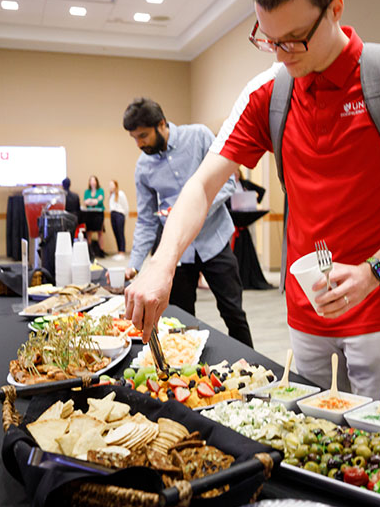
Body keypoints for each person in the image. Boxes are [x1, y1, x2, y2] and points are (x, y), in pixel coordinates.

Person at [125, 0, 380, 407]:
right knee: (313, 452)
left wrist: (371, 272)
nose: (281, 55)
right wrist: (161, 264)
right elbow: (202, 185)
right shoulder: (267, 93)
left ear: (336, 9)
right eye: (268, 39)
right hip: (306, 317)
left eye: (295, 39)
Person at [123, 98, 253, 347]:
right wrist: (134, 264)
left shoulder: (199, 136)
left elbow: (227, 183)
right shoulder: (143, 168)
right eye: (134, 139)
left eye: (143, 136)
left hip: (215, 242)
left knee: (234, 314)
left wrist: (190, 210)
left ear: (161, 124)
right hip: (179, 254)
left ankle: (253, 373)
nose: (139, 144)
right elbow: (146, 220)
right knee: (180, 320)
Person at [82, 175, 106, 257]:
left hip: (99, 213)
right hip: (89, 214)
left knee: (100, 232)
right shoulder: (87, 192)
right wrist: (95, 200)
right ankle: (89, 251)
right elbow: (85, 202)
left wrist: (91, 201)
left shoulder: (100, 190)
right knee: (89, 232)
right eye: (91, 180)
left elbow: (99, 201)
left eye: (94, 180)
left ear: (96, 182)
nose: (92, 182)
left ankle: (101, 251)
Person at [107, 179, 129, 261]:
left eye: (112, 185)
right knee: (116, 233)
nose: (110, 187)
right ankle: (119, 251)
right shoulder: (111, 196)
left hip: (119, 215)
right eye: (109, 185)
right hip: (112, 215)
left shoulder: (120, 194)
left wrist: (125, 216)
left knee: (120, 233)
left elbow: (126, 206)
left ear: (116, 185)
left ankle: (122, 252)